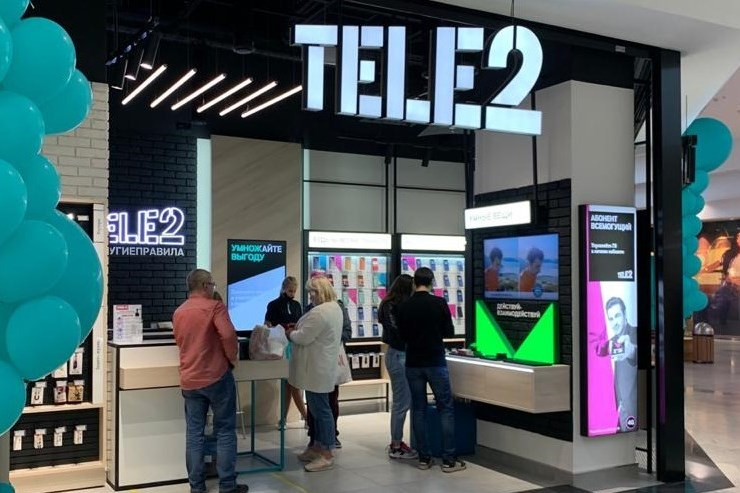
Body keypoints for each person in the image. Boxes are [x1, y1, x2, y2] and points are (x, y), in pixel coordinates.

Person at [172, 269, 248, 493]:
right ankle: (227, 485)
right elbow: (229, 335)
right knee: (224, 430)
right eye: (212, 284)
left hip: (190, 379)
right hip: (216, 376)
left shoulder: (179, 312)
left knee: (194, 434)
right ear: (205, 286)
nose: (214, 288)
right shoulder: (215, 307)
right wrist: (231, 358)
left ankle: (196, 487)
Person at [397, 267, 465, 473]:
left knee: (418, 409)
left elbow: (401, 335)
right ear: (432, 282)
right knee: (445, 408)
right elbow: (449, 331)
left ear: (414, 282)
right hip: (435, 361)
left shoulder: (404, 306)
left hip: (413, 363)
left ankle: (424, 458)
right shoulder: (439, 303)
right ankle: (448, 459)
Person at [285, 276, 344, 472]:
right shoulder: (334, 308)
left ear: (320, 292)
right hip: (320, 367)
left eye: (313, 292)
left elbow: (303, 337)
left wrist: (290, 333)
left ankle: (326, 453)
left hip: (316, 368)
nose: (310, 296)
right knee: (318, 410)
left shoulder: (321, 312)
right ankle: (317, 447)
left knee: (321, 411)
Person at [379, 274, 417, 459]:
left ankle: (397, 442)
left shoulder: (388, 304)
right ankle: (396, 445)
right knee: (402, 402)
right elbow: (398, 332)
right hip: (399, 355)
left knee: (402, 401)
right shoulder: (394, 306)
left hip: (397, 354)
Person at [304, 295, 351, 449]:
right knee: (314, 403)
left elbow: (347, 332)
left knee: (331, 401)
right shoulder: (310, 309)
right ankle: (315, 437)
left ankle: (330, 437)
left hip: (331, 362)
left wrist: (329, 336)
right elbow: (305, 333)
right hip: (314, 362)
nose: (312, 295)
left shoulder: (338, 308)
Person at [264, 276, 307, 425]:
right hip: (281, 346)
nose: (292, 294)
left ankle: (284, 418)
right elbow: (267, 325)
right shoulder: (273, 305)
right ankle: (306, 418)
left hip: (295, 345)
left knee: (290, 384)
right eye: (290, 290)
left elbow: (301, 324)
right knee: (289, 383)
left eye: (294, 291)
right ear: (283, 288)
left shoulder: (296, 305)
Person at [595, 297, 637, 432]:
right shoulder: (612, 341)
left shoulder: (635, 333)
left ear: (625, 314)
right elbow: (597, 350)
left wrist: (631, 351)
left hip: (632, 409)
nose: (615, 323)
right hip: (615, 410)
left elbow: (637, 352)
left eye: (617, 316)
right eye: (611, 319)